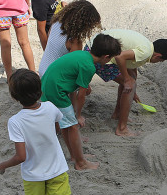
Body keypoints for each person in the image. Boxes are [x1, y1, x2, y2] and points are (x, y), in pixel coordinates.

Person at [40, 34, 121, 171]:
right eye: (111, 58)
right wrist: (77, 115)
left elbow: (72, 86)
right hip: (56, 91)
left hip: (47, 86)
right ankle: (81, 163)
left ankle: (74, 156)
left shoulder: (81, 55)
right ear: (106, 57)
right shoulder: (89, 66)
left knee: (66, 125)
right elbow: (81, 95)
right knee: (72, 127)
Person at [89, 29, 167, 137]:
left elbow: (132, 71)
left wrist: (132, 90)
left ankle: (118, 114)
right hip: (97, 53)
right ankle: (122, 129)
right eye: (160, 61)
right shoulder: (146, 52)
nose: (158, 63)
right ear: (158, 56)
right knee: (130, 83)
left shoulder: (146, 45)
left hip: (95, 46)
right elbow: (120, 57)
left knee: (130, 82)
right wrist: (127, 81)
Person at [38, 0, 102, 76]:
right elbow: (74, 67)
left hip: (43, 69)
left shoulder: (56, 22)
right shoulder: (74, 41)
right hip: (54, 77)